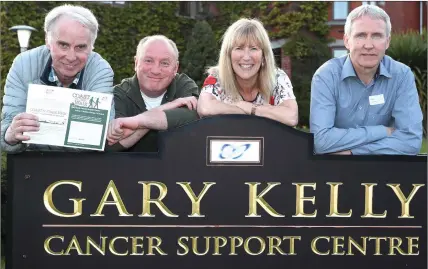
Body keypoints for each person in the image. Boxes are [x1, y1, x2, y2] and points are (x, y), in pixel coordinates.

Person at [310, 5, 423, 155]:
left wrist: (353, 152)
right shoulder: (326, 76)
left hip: (385, 175)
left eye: (377, 36)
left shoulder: (401, 75)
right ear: (346, 41)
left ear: (387, 41)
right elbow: (321, 140)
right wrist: (382, 131)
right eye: (360, 35)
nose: (368, 45)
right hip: (337, 175)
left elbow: (411, 140)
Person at [1, 4, 114, 153]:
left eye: (80, 47)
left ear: (92, 46)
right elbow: (8, 126)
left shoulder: (101, 70)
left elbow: (100, 135)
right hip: (32, 162)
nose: (71, 57)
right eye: (63, 45)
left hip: (83, 165)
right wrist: (9, 135)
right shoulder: (23, 64)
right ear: (48, 40)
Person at [196, 18, 298, 127]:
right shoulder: (217, 77)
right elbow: (204, 108)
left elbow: (291, 117)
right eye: (239, 48)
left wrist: (250, 108)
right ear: (228, 55)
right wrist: (247, 111)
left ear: (264, 56)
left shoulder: (277, 77)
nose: (246, 57)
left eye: (253, 48)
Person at [106, 35, 199, 151]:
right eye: (148, 61)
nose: (155, 70)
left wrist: (138, 122)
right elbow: (111, 145)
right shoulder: (118, 94)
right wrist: (168, 107)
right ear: (136, 63)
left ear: (175, 68)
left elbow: (194, 117)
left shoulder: (183, 85)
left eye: (164, 63)